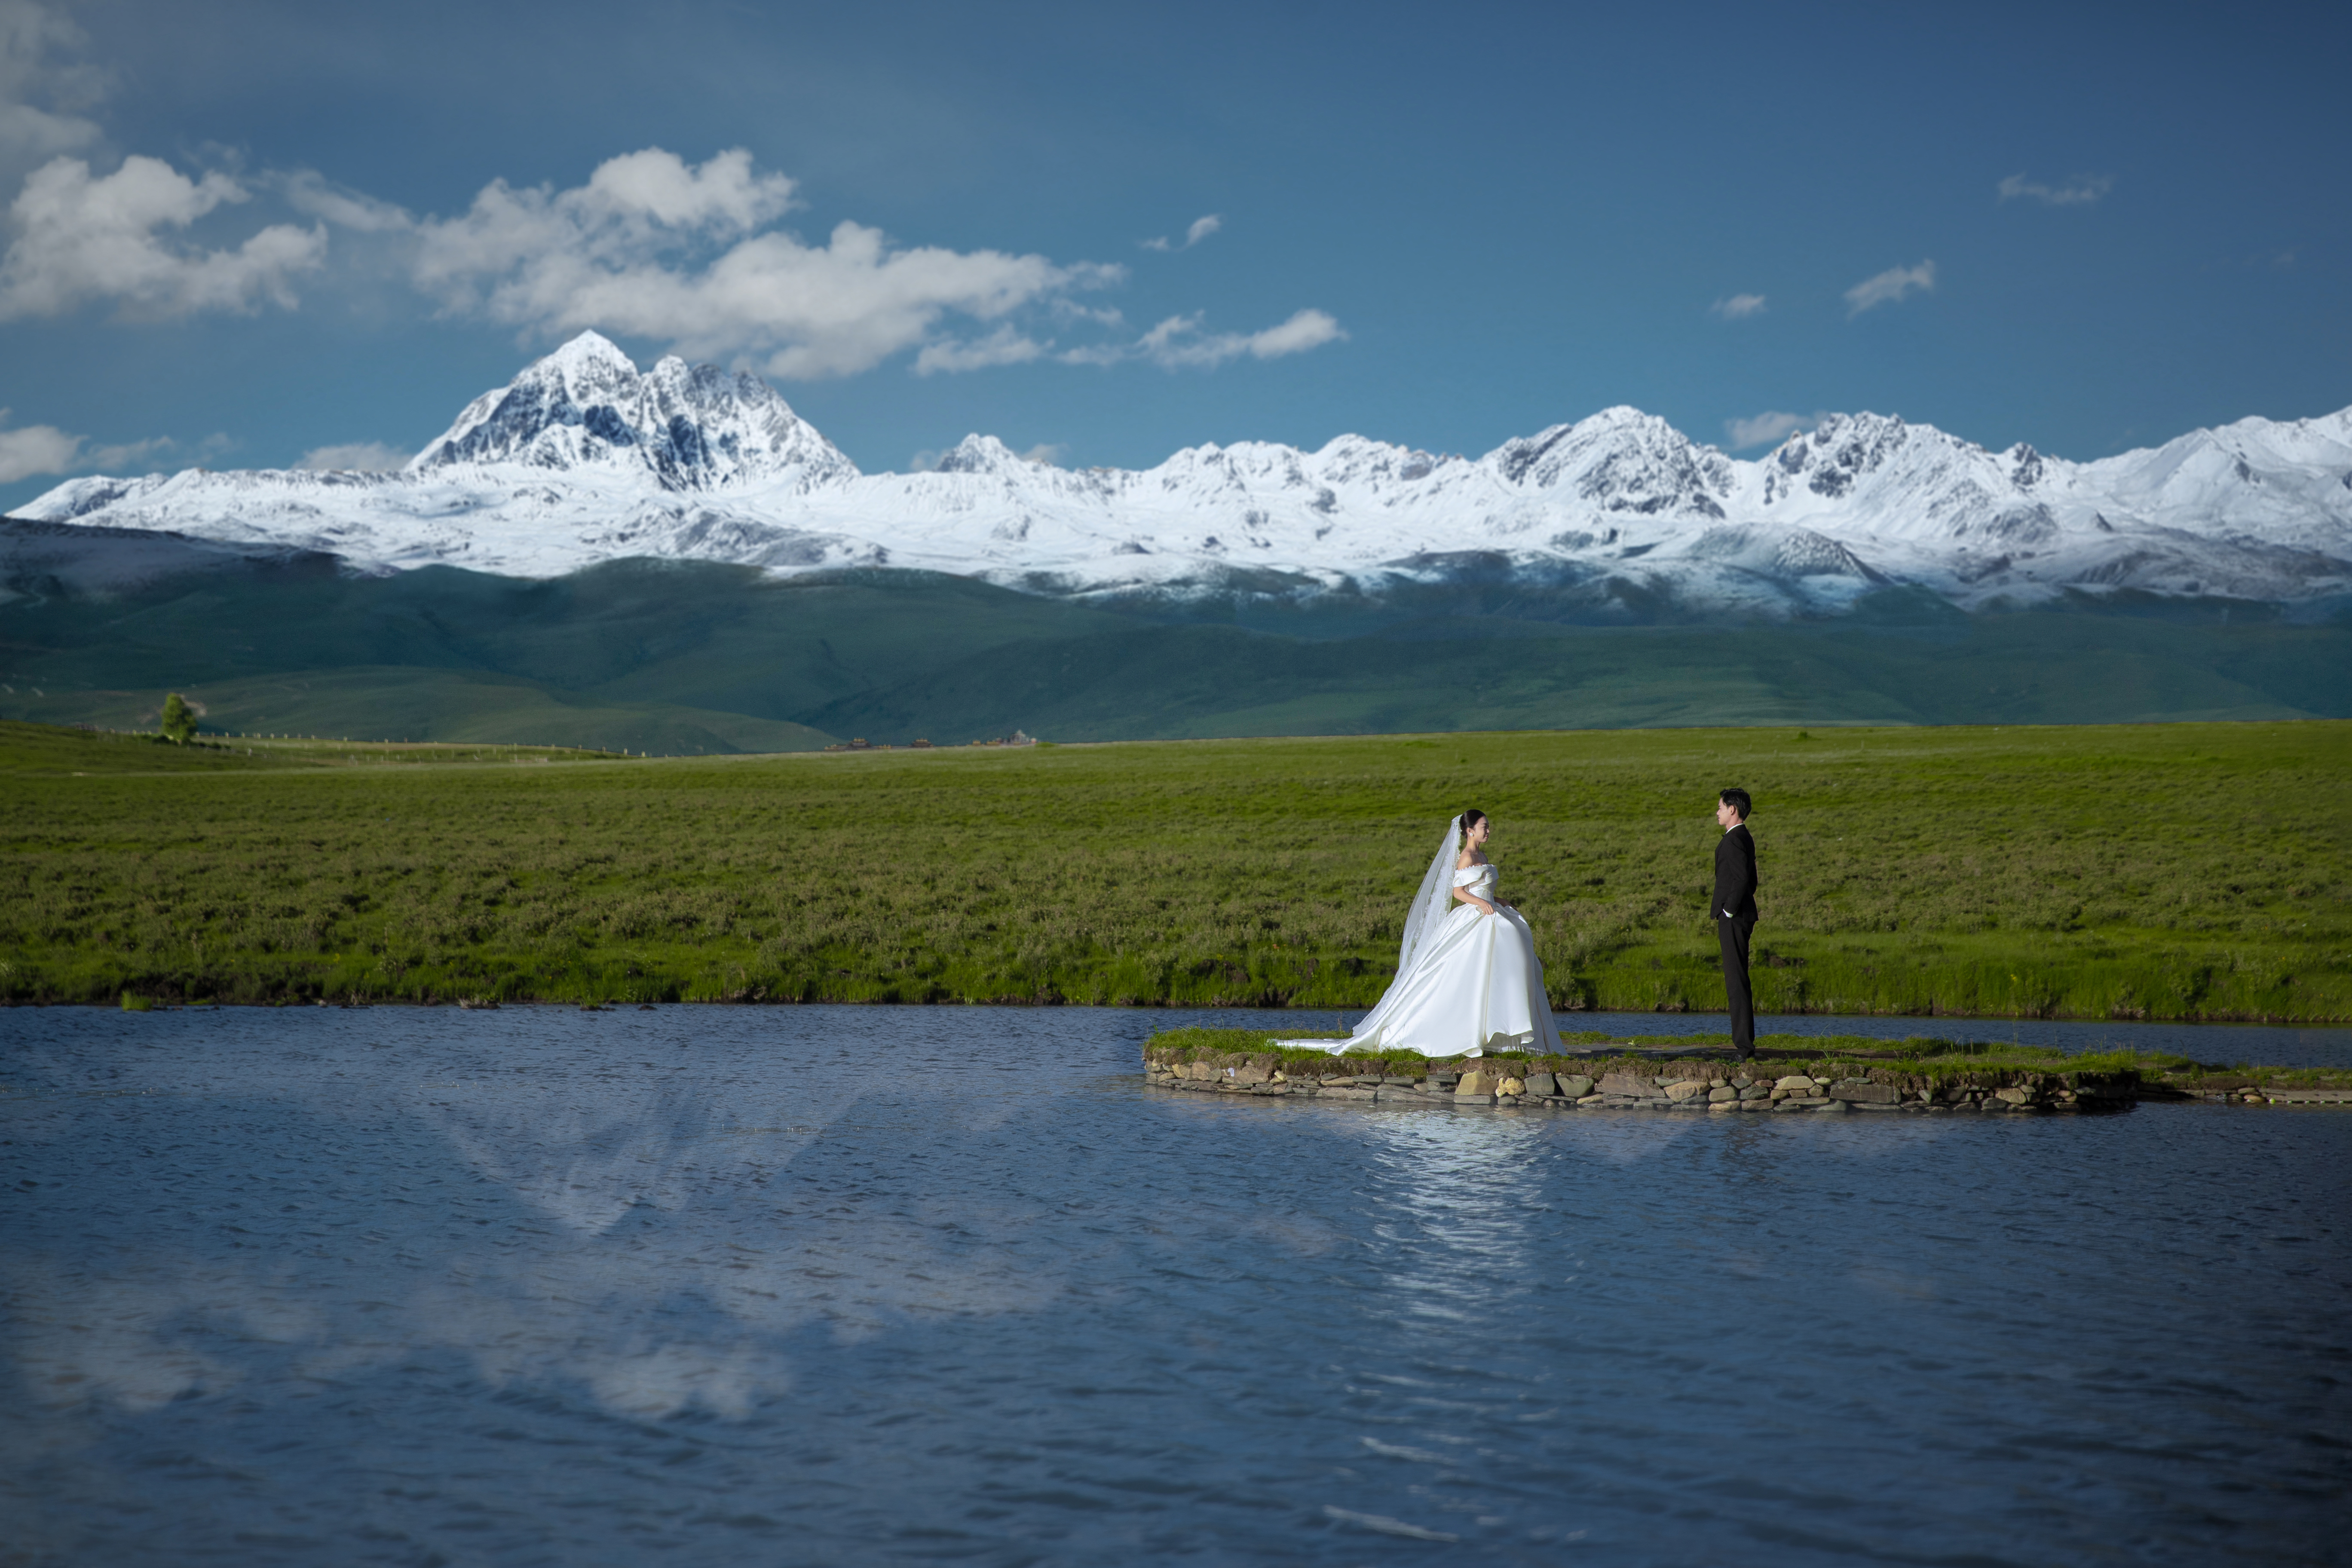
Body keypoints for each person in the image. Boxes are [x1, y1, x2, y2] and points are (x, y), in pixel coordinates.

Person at [1280, 809, 1563, 1058]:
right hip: (1476, 916)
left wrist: (1499, 902)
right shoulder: (1465, 857)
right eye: (1484, 827)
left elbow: (1484, 888)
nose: (1488, 831)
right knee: (1465, 971)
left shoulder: (1483, 855)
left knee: (1508, 960)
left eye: (1488, 827)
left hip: (1489, 912)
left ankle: (1505, 1033)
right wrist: (1481, 904)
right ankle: (1465, 1032)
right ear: (1469, 831)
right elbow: (1458, 892)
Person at [1713, 788, 1759, 1060]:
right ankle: (1745, 1044)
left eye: (1720, 807)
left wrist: (1728, 910)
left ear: (1733, 810)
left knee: (1736, 981)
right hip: (1740, 915)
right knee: (1738, 978)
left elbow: (1743, 880)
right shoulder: (1743, 837)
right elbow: (1751, 880)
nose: (1717, 812)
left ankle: (1744, 1047)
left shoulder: (1734, 839)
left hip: (1735, 917)